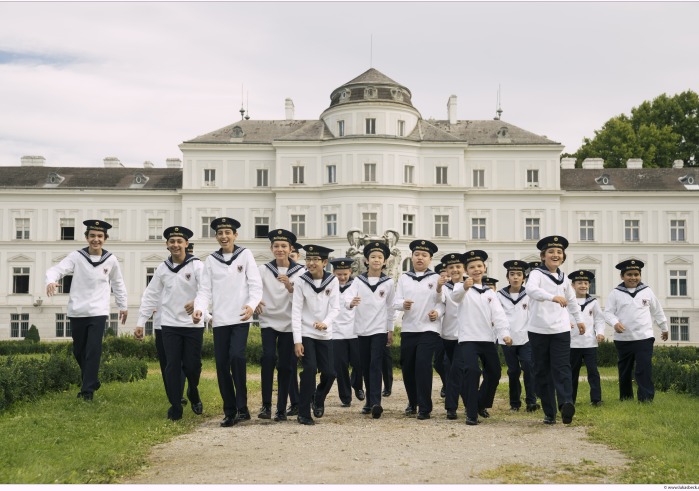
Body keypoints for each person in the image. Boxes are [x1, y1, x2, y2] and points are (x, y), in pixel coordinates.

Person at [46, 220, 127, 401]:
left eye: (99, 236)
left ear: (105, 239)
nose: (95, 240)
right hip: (77, 310)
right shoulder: (77, 256)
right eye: (92, 236)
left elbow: (118, 284)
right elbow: (57, 270)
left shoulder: (111, 259)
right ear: (86, 237)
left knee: (93, 349)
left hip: (98, 311)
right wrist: (50, 281)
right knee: (79, 351)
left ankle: (87, 391)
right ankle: (92, 379)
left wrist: (123, 306)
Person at [193, 217, 262, 427]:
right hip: (220, 320)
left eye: (227, 233)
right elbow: (204, 290)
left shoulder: (245, 255)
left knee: (237, 358)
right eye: (220, 233)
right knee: (222, 366)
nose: (224, 236)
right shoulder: (211, 260)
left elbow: (255, 285)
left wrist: (251, 305)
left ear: (235, 235)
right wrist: (200, 310)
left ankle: (242, 406)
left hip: (241, 317)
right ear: (216, 236)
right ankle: (230, 411)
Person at [135, 226, 205, 420]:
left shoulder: (197, 265)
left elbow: (207, 289)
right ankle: (175, 406)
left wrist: (198, 306)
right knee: (172, 366)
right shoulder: (162, 268)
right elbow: (151, 294)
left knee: (192, 366)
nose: (175, 244)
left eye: (179, 241)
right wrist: (141, 322)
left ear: (186, 244)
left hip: (193, 324)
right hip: (169, 324)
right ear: (167, 245)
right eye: (172, 241)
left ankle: (193, 390)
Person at [525, 236, 584, 425]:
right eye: (551, 252)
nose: (555, 255)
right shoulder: (536, 274)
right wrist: (552, 297)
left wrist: (580, 320)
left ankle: (566, 403)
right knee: (542, 371)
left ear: (563, 257)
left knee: (562, 368)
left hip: (560, 329)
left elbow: (572, 300)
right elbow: (531, 290)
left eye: (559, 252)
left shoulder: (564, 278)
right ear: (543, 256)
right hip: (538, 330)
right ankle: (549, 412)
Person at [448, 250, 512, 425]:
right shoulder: (460, 287)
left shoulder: (490, 293)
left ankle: (479, 403)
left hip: (487, 339)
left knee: (495, 372)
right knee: (472, 372)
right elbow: (455, 297)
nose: (476, 269)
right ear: (466, 271)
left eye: (479, 266)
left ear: (484, 268)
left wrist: (505, 334)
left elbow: (498, 315)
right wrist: (464, 286)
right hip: (468, 339)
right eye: (471, 267)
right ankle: (471, 412)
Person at [255, 229, 305, 422]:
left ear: (291, 248)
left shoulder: (300, 272)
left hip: (290, 323)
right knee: (267, 358)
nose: (280, 249)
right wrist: (255, 300)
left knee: (285, 366)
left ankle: (281, 408)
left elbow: (303, 300)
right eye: (276, 246)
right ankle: (266, 405)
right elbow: (253, 288)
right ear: (271, 248)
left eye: (284, 246)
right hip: (268, 320)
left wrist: (290, 287)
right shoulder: (263, 270)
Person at [604, 259, 668, 402]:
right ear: (622, 276)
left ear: (640, 275)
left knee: (643, 368)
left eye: (636, 274)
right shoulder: (615, 293)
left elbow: (657, 310)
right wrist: (615, 323)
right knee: (625, 370)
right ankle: (626, 397)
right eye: (629, 274)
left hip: (644, 337)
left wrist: (664, 327)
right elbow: (607, 313)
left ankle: (645, 398)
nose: (633, 277)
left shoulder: (647, 291)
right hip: (623, 339)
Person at [394, 239, 443, 420]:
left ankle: (425, 407)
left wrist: (436, 313)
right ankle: (412, 401)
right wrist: (402, 304)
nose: (420, 258)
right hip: (409, 328)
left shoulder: (436, 278)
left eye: (424, 255)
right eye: (416, 255)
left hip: (429, 328)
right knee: (408, 368)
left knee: (423, 365)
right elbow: (395, 301)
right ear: (412, 257)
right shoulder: (404, 278)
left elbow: (442, 302)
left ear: (430, 259)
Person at [346, 242, 396, 418]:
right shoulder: (358, 281)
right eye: (373, 257)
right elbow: (347, 297)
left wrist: (390, 329)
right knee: (365, 366)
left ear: (385, 262)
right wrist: (350, 303)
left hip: (379, 330)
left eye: (380, 257)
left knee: (375, 364)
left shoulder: (388, 282)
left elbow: (391, 307)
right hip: (361, 330)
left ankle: (376, 402)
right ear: (367, 260)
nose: (376, 260)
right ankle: (368, 402)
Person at [292, 245, 339, 425]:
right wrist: (297, 340)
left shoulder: (332, 281)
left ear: (324, 262)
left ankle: (318, 398)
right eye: (308, 260)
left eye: (315, 260)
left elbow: (335, 308)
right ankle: (303, 413)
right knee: (310, 369)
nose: (310, 263)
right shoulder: (301, 281)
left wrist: (325, 323)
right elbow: (296, 311)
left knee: (329, 373)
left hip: (325, 333)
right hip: (306, 332)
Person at [497, 260, 539, 413]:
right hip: (507, 339)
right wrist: (504, 335)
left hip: (526, 338)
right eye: (512, 274)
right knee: (513, 371)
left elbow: (533, 316)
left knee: (528, 367)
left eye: (519, 274)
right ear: (507, 277)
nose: (515, 277)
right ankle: (514, 402)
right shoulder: (499, 295)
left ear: (524, 277)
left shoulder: (529, 294)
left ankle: (531, 401)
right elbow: (498, 317)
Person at [329, 258, 365, 407]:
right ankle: (345, 396)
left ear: (350, 272)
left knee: (359, 362)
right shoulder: (330, 286)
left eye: (345, 274)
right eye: (339, 274)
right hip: (336, 331)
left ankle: (357, 384)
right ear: (333, 273)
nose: (342, 277)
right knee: (340, 365)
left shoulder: (358, 284)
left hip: (355, 330)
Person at [568, 269, 606, 406]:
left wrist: (600, 332)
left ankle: (596, 399)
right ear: (573, 285)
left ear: (589, 285)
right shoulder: (568, 301)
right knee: (572, 373)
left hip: (590, 343)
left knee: (593, 372)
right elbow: (561, 317)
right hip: (573, 343)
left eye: (585, 283)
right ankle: (570, 399)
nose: (583, 285)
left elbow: (599, 319)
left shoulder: (593, 302)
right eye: (579, 283)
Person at [438, 252, 469, 418]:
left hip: (465, 336)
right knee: (453, 370)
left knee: (457, 369)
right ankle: (470, 403)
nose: (455, 270)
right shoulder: (444, 288)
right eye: (451, 267)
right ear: (447, 270)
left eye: (458, 266)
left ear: (463, 268)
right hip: (448, 334)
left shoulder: (470, 285)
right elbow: (441, 305)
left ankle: (451, 407)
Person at [286, 241, 304, 416]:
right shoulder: (275, 270)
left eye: (292, 255)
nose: (290, 258)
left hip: (303, 324)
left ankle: (308, 396)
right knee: (290, 365)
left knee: (309, 366)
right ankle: (295, 401)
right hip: (286, 324)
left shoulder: (303, 273)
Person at [432, 263, 449, 398]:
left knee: (447, 361)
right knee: (437, 363)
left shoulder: (453, 289)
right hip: (438, 332)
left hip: (452, 331)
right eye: (442, 275)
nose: (445, 278)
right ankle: (446, 382)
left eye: (446, 275)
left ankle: (449, 386)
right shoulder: (435, 290)